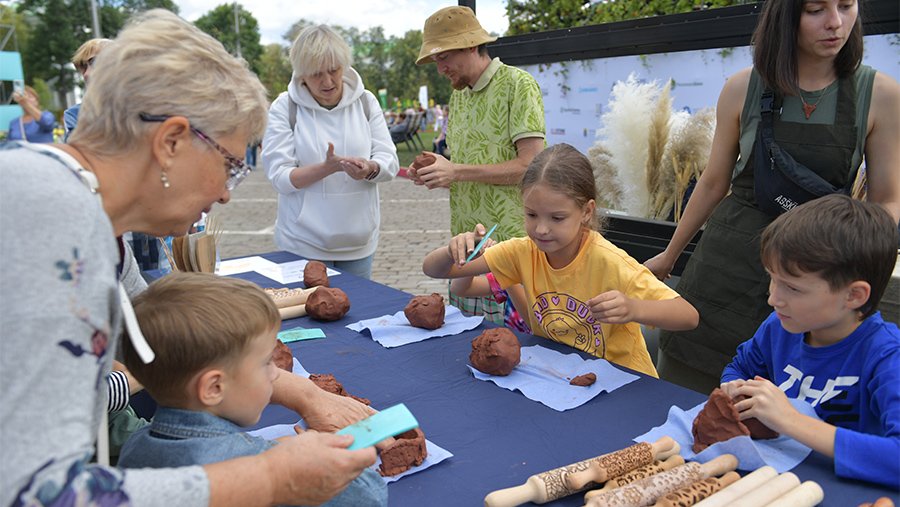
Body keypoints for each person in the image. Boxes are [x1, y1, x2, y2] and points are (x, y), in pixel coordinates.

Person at [1, 10, 377, 506]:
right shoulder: (44, 219)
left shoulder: (89, 218)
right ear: (171, 141)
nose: (225, 193)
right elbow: (33, 491)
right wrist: (267, 479)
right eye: (230, 165)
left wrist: (304, 393)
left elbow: (168, 335)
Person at [645, 0, 900, 393]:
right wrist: (670, 254)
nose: (836, 22)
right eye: (816, 9)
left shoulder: (879, 93)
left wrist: (847, 265)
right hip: (725, 264)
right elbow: (714, 182)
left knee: (786, 405)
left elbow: (888, 201)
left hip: (814, 274)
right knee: (688, 387)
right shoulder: (743, 87)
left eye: (846, 6)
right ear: (786, 16)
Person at [422, 144, 699, 377]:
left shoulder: (609, 261)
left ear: (587, 212)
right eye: (531, 215)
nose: (541, 229)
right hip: (561, 376)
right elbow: (434, 270)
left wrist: (632, 308)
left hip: (622, 382)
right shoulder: (522, 251)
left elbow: (688, 316)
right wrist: (452, 251)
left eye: (557, 218)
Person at [118, 272, 388, 506]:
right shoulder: (255, 464)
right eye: (265, 362)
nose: (276, 374)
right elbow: (369, 498)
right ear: (214, 387)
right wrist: (334, 453)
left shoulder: (135, 446)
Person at [720, 194, 899, 489]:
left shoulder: (887, 356)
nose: (773, 298)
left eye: (792, 287)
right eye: (772, 279)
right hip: (773, 481)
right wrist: (735, 389)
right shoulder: (779, 325)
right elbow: (738, 369)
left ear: (854, 296)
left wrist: (789, 420)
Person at [411, 5, 546, 326]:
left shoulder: (518, 84)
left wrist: (455, 171)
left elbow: (532, 167)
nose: (439, 67)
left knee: (511, 357)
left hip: (509, 253)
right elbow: (469, 168)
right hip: (464, 250)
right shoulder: (459, 95)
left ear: (472, 44)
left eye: (443, 56)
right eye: (435, 59)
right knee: (465, 356)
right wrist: (437, 170)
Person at [262, 25, 399, 280]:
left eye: (334, 70)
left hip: (358, 243)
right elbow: (279, 178)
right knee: (308, 318)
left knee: (358, 315)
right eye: (316, 74)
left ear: (344, 65)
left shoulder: (365, 102)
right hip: (302, 243)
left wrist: (370, 169)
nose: (327, 81)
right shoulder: (285, 107)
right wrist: (327, 168)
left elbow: (389, 161)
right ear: (301, 74)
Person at [64, 37, 112, 142]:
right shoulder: (75, 115)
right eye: (83, 67)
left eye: (94, 62)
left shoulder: (147, 105)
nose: (86, 74)